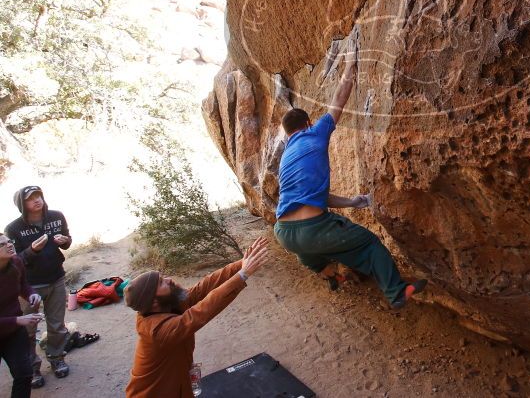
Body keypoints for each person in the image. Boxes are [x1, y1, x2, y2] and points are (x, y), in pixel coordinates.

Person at [273, 46, 427, 309]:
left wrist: (354, 202)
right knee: (368, 243)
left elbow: (316, 198)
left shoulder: (287, 156)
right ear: (309, 123)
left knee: (313, 254)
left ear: (288, 135)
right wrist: (350, 64)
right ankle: (396, 291)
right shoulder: (315, 133)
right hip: (314, 230)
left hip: (284, 233)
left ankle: (331, 276)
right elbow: (339, 99)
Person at [124, 237, 270, 398]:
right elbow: (201, 312)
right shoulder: (156, 331)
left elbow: (204, 287)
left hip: (179, 385)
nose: (169, 279)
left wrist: (242, 263)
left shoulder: (169, 304)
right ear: (153, 303)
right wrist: (242, 275)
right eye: (161, 283)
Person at [5, 185, 71, 387]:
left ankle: (57, 359)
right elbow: (13, 260)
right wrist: (32, 250)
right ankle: (32, 367)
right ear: (21, 205)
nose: (37, 200)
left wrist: (65, 241)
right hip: (28, 286)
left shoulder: (56, 216)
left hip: (56, 278)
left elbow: (67, 242)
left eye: (38, 196)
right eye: (30, 198)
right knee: (28, 330)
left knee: (57, 324)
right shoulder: (13, 229)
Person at [0, 233, 43, 398]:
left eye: (9, 241)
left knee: (24, 374)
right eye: (2, 244)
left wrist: (31, 294)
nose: (9, 245)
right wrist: (18, 320)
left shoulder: (16, 262)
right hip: (14, 322)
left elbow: (23, 284)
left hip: (13, 332)